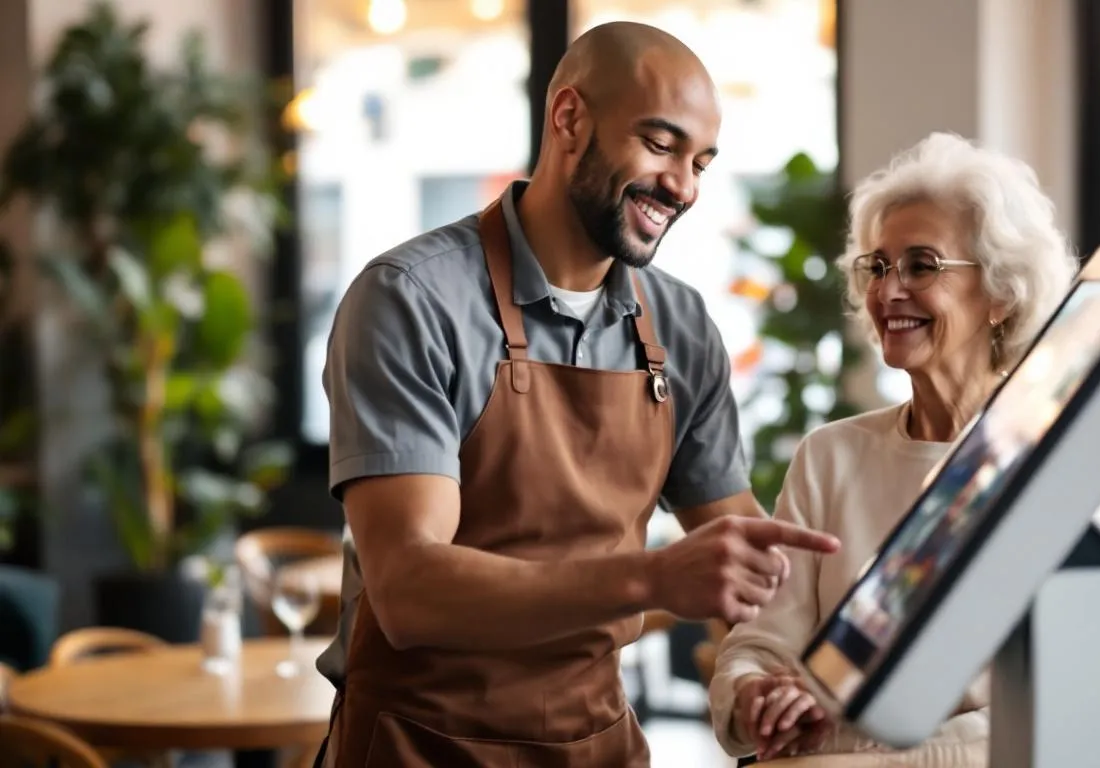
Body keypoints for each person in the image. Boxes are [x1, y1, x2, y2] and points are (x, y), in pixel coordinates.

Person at [313, 21, 840, 768]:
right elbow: (409, 589)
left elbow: (744, 554)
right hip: (418, 747)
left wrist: (781, 670)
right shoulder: (412, 300)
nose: (684, 187)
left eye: (701, 162)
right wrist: (654, 577)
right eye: (660, 146)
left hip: (597, 745)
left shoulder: (681, 327)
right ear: (569, 119)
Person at [708, 132, 1100, 766]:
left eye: (921, 265)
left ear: (1001, 293)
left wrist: (847, 740)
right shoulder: (829, 456)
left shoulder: (1052, 466)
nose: (888, 289)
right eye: (877, 265)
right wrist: (756, 694)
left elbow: (1055, 706)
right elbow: (758, 646)